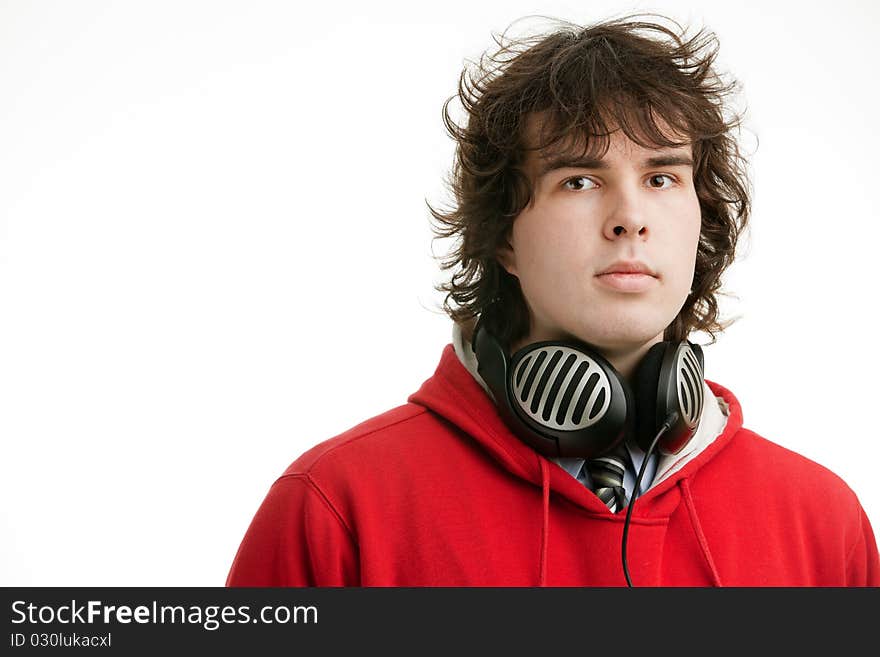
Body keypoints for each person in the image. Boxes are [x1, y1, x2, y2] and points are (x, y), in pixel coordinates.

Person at [225, 13, 879, 586]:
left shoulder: (823, 523)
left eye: (661, 176)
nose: (630, 217)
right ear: (502, 234)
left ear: (700, 218)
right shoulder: (337, 507)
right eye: (579, 179)